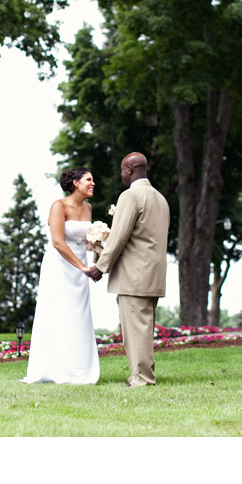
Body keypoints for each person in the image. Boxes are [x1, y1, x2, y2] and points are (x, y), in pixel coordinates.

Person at [86, 152, 170, 387]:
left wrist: (100, 267)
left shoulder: (131, 196)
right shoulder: (160, 198)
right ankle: (139, 374)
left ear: (130, 169)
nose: (121, 174)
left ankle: (142, 378)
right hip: (154, 274)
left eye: (122, 170)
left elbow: (120, 236)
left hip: (135, 275)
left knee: (136, 330)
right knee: (142, 329)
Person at [21, 167, 100, 385]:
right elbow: (57, 242)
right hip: (60, 266)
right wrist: (81, 268)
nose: (93, 183)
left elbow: (87, 241)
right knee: (58, 313)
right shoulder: (59, 205)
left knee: (78, 315)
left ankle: (79, 369)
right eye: (88, 180)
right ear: (75, 183)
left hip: (82, 266)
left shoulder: (88, 207)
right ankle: (53, 369)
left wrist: (96, 260)